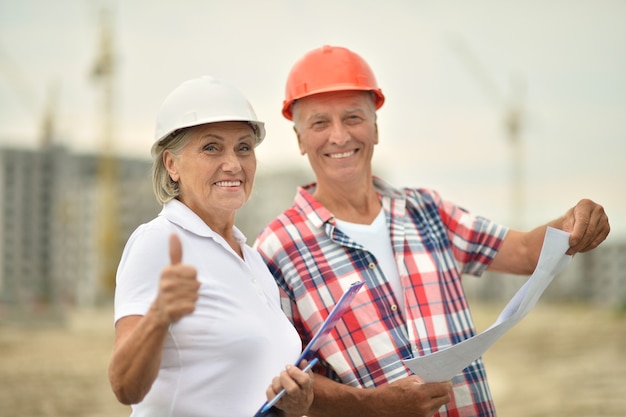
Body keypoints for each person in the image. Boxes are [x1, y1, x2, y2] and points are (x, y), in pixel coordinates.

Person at [253, 45, 611, 417]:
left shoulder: (426, 209)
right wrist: (377, 406)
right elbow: (284, 379)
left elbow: (522, 251)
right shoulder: (276, 248)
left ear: (375, 125)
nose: (340, 136)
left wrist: (570, 224)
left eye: (353, 117)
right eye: (319, 123)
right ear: (298, 140)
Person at [108, 75, 314, 417]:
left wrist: (295, 404)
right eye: (211, 147)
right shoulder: (158, 242)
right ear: (171, 164)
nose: (233, 164)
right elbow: (124, 387)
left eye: (244, 148)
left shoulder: (252, 260)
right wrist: (159, 317)